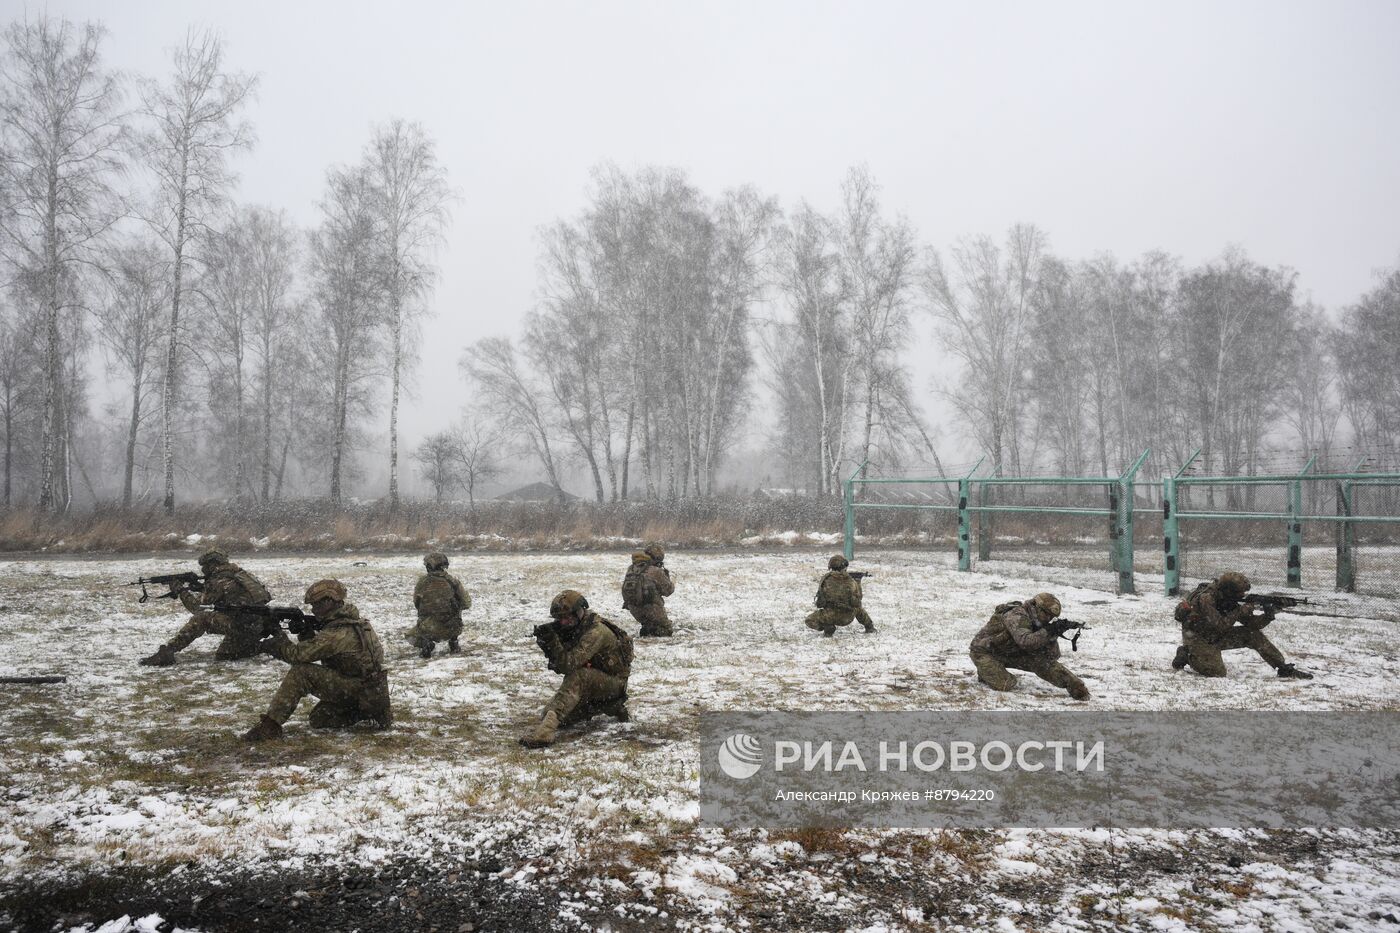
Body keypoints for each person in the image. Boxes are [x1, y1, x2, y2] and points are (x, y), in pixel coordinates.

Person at [241, 579, 392, 741]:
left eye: (317, 605)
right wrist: (306, 632)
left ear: (330, 601)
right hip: (372, 691)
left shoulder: (336, 633)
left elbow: (297, 655)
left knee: (301, 673)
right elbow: (327, 651)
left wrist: (277, 637)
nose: (313, 609)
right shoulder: (356, 623)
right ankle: (368, 711)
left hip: (359, 688)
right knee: (320, 719)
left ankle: (270, 727)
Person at [520, 590, 632, 748]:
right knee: (553, 717)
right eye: (560, 619)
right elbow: (561, 665)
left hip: (614, 684)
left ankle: (544, 735)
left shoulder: (595, 632)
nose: (563, 622)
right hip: (596, 683)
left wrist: (553, 643)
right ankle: (608, 706)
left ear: (580, 612)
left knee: (579, 675)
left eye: (567, 617)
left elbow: (568, 665)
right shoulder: (578, 627)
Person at [139, 548, 272, 666]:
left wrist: (181, 591)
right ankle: (263, 646)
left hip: (242, 626)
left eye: (205, 566)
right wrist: (202, 588)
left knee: (202, 618)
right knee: (225, 655)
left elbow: (198, 608)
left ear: (213, 564)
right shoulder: (240, 575)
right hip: (258, 625)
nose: (203, 570)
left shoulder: (218, 581)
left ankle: (168, 651)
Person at [1172, 571, 1313, 680]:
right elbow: (1219, 625)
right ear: (1228, 591)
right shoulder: (1206, 599)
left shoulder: (1228, 599)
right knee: (1217, 673)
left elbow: (1252, 625)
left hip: (1216, 636)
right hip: (1198, 639)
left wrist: (1270, 614)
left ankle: (1283, 668)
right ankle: (1187, 654)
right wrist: (1240, 610)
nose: (1242, 596)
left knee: (1252, 635)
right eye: (1240, 593)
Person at [969, 593, 1090, 700]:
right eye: (1046, 614)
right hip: (984, 652)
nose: (1048, 619)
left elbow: (1052, 656)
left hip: (1009, 652)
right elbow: (1025, 641)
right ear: (1035, 607)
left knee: (1040, 661)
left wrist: (1054, 634)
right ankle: (985, 672)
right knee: (1006, 684)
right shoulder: (1016, 614)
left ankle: (1075, 686)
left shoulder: (1037, 621)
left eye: (1052, 617)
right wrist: (1048, 631)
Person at [408, 551, 471, 658]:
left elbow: (416, 603)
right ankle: (453, 642)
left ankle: (426, 644)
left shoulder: (422, 583)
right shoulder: (453, 581)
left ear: (428, 566)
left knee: (410, 636)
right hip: (452, 628)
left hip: (428, 628)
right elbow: (466, 603)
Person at [804, 555, 875, 636]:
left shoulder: (825, 580)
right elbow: (858, 601)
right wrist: (858, 582)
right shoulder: (851, 582)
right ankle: (869, 627)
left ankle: (828, 627)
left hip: (830, 615)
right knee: (858, 608)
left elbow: (820, 602)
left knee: (809, 620)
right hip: (848, 617)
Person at [621, 543, 675, 637]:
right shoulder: (655, 571)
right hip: (652, 609)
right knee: (666, 630)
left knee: (648, 626)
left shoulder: (632, 568)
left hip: (634, 608)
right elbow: (668, 591)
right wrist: (666, 576)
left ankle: (646, 633)